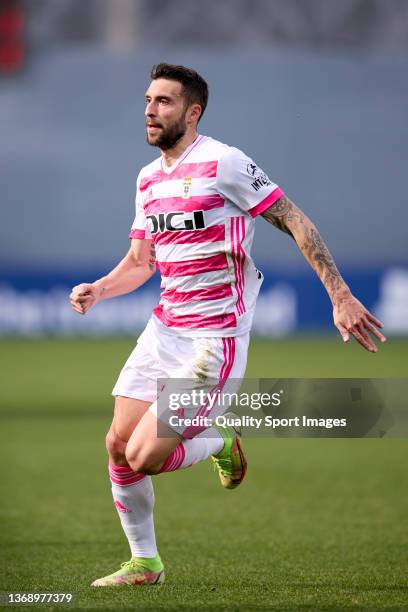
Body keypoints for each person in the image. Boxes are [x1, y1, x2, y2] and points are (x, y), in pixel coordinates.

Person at [70, 63, 386, 587]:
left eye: (164, 102)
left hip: (211, 342)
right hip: (163, 331)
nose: (150, 110)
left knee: (145, 456)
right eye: (148, 100)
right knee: (116, 447)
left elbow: (294, 220)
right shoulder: (148, 179)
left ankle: (220, 442)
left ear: (192, 113)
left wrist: (340, 293)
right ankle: (145, 563)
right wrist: (100, 289)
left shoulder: (224, 163)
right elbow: (141, 261)